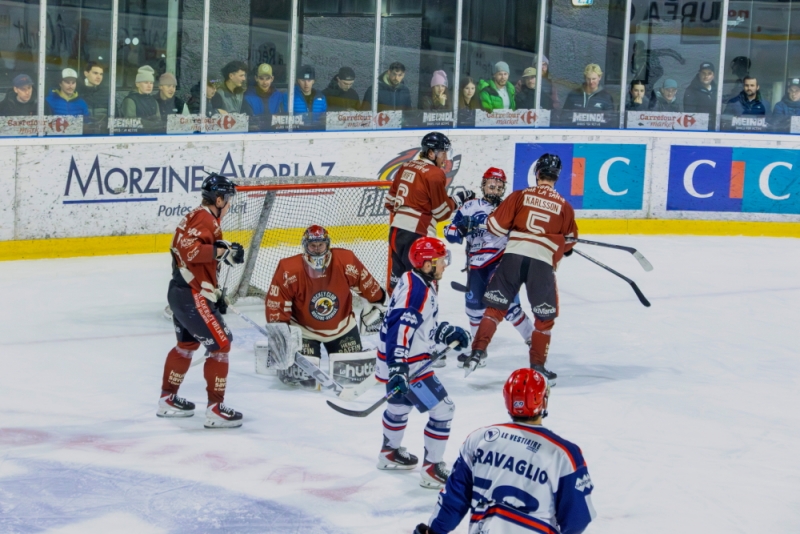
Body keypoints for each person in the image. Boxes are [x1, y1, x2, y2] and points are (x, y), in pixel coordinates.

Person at [414, 368, 596, 534]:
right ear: (543, 400)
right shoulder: (564, 454)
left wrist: (434, 532)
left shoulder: (479, 439)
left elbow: (453, 501)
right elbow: (577, 519)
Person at [466, 154, 577, 382]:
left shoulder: (519, 196)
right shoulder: (565, 206)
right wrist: (565, 247)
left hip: (513, 257)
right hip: (541, 263)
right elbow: (569, 242)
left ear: (537, 173)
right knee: (543, 319)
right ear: (557, 176)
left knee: (495, 308)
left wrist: (513, 227)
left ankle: (477, 352)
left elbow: (495, 227)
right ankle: (537, 366)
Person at [376, 236, 471, 489]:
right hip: (411, 367)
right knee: (443, 410)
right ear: (427, 264)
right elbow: (401, 329)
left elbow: (420, 324)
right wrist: (399, 369)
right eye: (440, 261)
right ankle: (432, 469)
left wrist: (444, 333)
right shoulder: (416, 290)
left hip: (396, 361)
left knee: (398, 408)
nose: (444, 265)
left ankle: (389, 454)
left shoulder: (412, 280)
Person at [157, 174, 246, 428]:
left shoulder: (202, 216)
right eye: (227, 199)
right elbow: (191, 251)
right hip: (190, 294)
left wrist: (214, 290)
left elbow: (191, 253)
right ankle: (216, 409)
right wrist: (222, 251)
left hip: (182, 291)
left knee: (185, 345)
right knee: (221, 346)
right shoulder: (204, 217)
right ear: (219, 199)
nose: (229, 204)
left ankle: (168, 400)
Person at [264, 225, 387, 388]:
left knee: (352, 377)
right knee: (301, 383)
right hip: (304, 332)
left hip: (343, 329)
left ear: (327, 245)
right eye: (312, 246)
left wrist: (379, 304)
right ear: (305, 246)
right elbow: (276, 304)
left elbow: (368, 286)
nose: (316, 250)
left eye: (320, 245)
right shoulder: (289, 269)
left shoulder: (345, 261)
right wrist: (280, 335)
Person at [444, 167, 534, 352]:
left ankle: (534, 341)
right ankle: (478, 351)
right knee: (474, 310)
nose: (495, 189)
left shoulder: (509, 207)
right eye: (491, 185)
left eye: (499, 186)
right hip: (476, 266)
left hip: (500, 262)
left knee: (507, 305)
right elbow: (449, 232)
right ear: (484, 185)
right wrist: (462, 228)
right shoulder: (469, 206)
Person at [384, 132, 475, 293]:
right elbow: (442, 213)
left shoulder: (405, 166)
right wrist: (460, 198)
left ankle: (395, 316)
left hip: (396, 231)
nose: (445, 158)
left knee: (398, 285)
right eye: (443, 153)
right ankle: (422, 317)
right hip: (418, 234)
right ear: (431, 153)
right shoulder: (434, 173)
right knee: (424, 283)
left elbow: (389, 203)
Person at [629, 39, 685, 105]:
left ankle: (648, 103)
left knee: (647, 88)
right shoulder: (634, 57)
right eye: (635, 49)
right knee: (645, 88)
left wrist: (680, 59)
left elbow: (667, 51)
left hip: (656, 72)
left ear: (642, 48)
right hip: (647, 76)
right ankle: (649, 102)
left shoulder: (649, 53)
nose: (637, 51)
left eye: (638, 48)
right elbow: (634, 70)